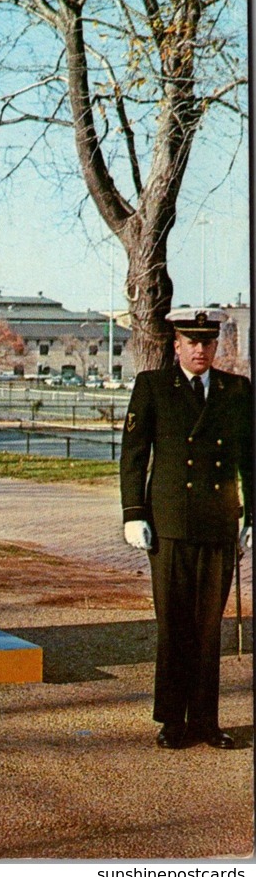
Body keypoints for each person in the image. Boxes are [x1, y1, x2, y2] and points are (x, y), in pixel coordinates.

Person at [120, 307, 252, 750]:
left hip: (217, 523)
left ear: (217, 346)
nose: (200, 350)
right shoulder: (154, 387)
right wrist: (133, 513)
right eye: (191, 342)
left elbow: (249, 461)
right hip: (171, 524)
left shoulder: (237, 390)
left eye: (208, 343)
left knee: (207, 626)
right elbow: (134, 455)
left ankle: (206, 720)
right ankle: (172, 719)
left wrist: (251, 517)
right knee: (174, 623)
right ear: (176, 345)